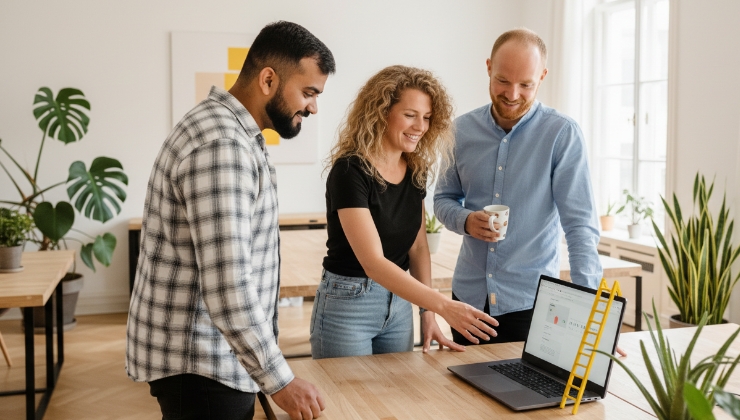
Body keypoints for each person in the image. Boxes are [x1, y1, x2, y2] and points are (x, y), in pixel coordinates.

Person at [126, 21, 335, 420]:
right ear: (269, 80)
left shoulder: (229, 133)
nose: (313, 106)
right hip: (202, 365)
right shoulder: (222, 146)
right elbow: (228, 286)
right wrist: (281, 381)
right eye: (308, 92)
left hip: (212, 359)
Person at [310, 65, 499, 359]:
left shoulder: (415, 170)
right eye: (410, 115)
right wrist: (442, 304)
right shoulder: (349, 171)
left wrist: (427, 312)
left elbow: (418, 246)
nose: (420, 127)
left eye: (426, 118)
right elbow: (372, 262)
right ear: (381, 111)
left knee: (394, 400)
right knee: (349, 405)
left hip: (400, 303)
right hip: (348, 305)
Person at [434, 28, 603, 346]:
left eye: (525, 84)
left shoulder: (561, 135)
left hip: (530, 305)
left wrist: (591, 312)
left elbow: (580, 228)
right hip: (467, 301)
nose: (512, 94)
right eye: (502, 81)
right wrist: (467, 221)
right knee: (459, 395)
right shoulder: (461, 131)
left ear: (542, 76)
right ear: (488, 67)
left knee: (527, 393)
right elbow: (443, 199)